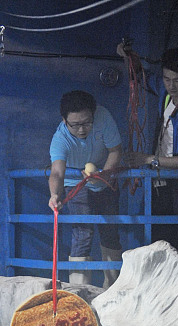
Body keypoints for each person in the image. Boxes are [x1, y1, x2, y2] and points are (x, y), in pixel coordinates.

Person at [126, 47, 178, 257]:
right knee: (158, 240)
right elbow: (143, 78)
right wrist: (127, 56)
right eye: (167, 79)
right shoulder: (166, 93)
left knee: (177, 244)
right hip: (160, 182)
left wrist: (149, 159)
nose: (172, 85)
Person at [49, 90, 123, 288]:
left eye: (87, 123)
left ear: (94, 114)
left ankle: (113, 287)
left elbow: (115, 150)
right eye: (75, 125)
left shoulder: (103, 117)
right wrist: (54, 195)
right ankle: (78, 290)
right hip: (76, 184)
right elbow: (57, 172)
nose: (82, 129)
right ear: (64, 121)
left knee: (110, 231)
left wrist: (104, 175)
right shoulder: (60, 139)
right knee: (83, 233)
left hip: (106, 177)